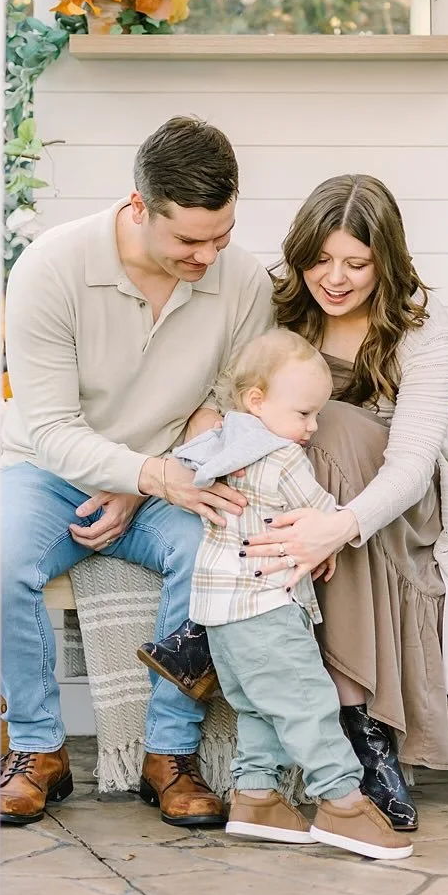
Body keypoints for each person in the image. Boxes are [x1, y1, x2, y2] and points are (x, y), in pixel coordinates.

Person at [0, 117, 273, 828]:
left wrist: (143, 481)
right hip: (49, 471)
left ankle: (168, 756)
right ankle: (37, 750)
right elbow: (53, 429)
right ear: (138, 207)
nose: (208, 255)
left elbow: (226, 403)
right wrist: (141, 475)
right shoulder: (49, 269)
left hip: (168, 474)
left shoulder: (241, 279)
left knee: (214, 551)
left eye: (222, 234)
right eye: (188, 240)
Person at [240, 174, 448, 831]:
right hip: (292, 495)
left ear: (384, 260)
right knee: (291, 438)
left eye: (355, 264)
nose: (333, 279)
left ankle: (358, 729)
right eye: (320, 260)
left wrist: (336, 527)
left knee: (330, 421)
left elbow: (413, 463)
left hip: (396, 507)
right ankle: (361, 737)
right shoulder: (277, 309)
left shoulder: (418, 324)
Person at [141, 328, 413, 860]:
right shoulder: (281, 458)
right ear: (256, 401)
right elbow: (322, 514)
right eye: (304, 414)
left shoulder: (213, 447)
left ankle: (257, 796)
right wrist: (330, 536)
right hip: (267, 608)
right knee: (309, 704)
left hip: (221, 614)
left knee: (258, 708)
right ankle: (343, 804)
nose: (312, 428)